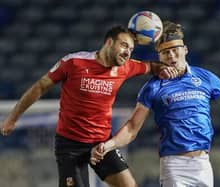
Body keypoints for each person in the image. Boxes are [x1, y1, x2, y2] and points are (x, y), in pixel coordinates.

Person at [90, 21, 220, 187]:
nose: (171, 56)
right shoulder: (153, 87)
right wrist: (109, 145)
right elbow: (132, 128)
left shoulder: (206, 78)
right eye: (165, 53)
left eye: (174, 50)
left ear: (185, 50)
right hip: (174, 166)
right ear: (159, 57)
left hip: (204, 164)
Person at [0, 25, 179, 187]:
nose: (127, 53)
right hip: (70, 146)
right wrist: (12, 118)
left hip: (101, 143)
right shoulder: (74, 62)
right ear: (109, 42)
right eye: (124, 45)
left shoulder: (126, 67)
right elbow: (40, 86)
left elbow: (151, 66)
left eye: (131, 49)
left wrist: (164, 69)